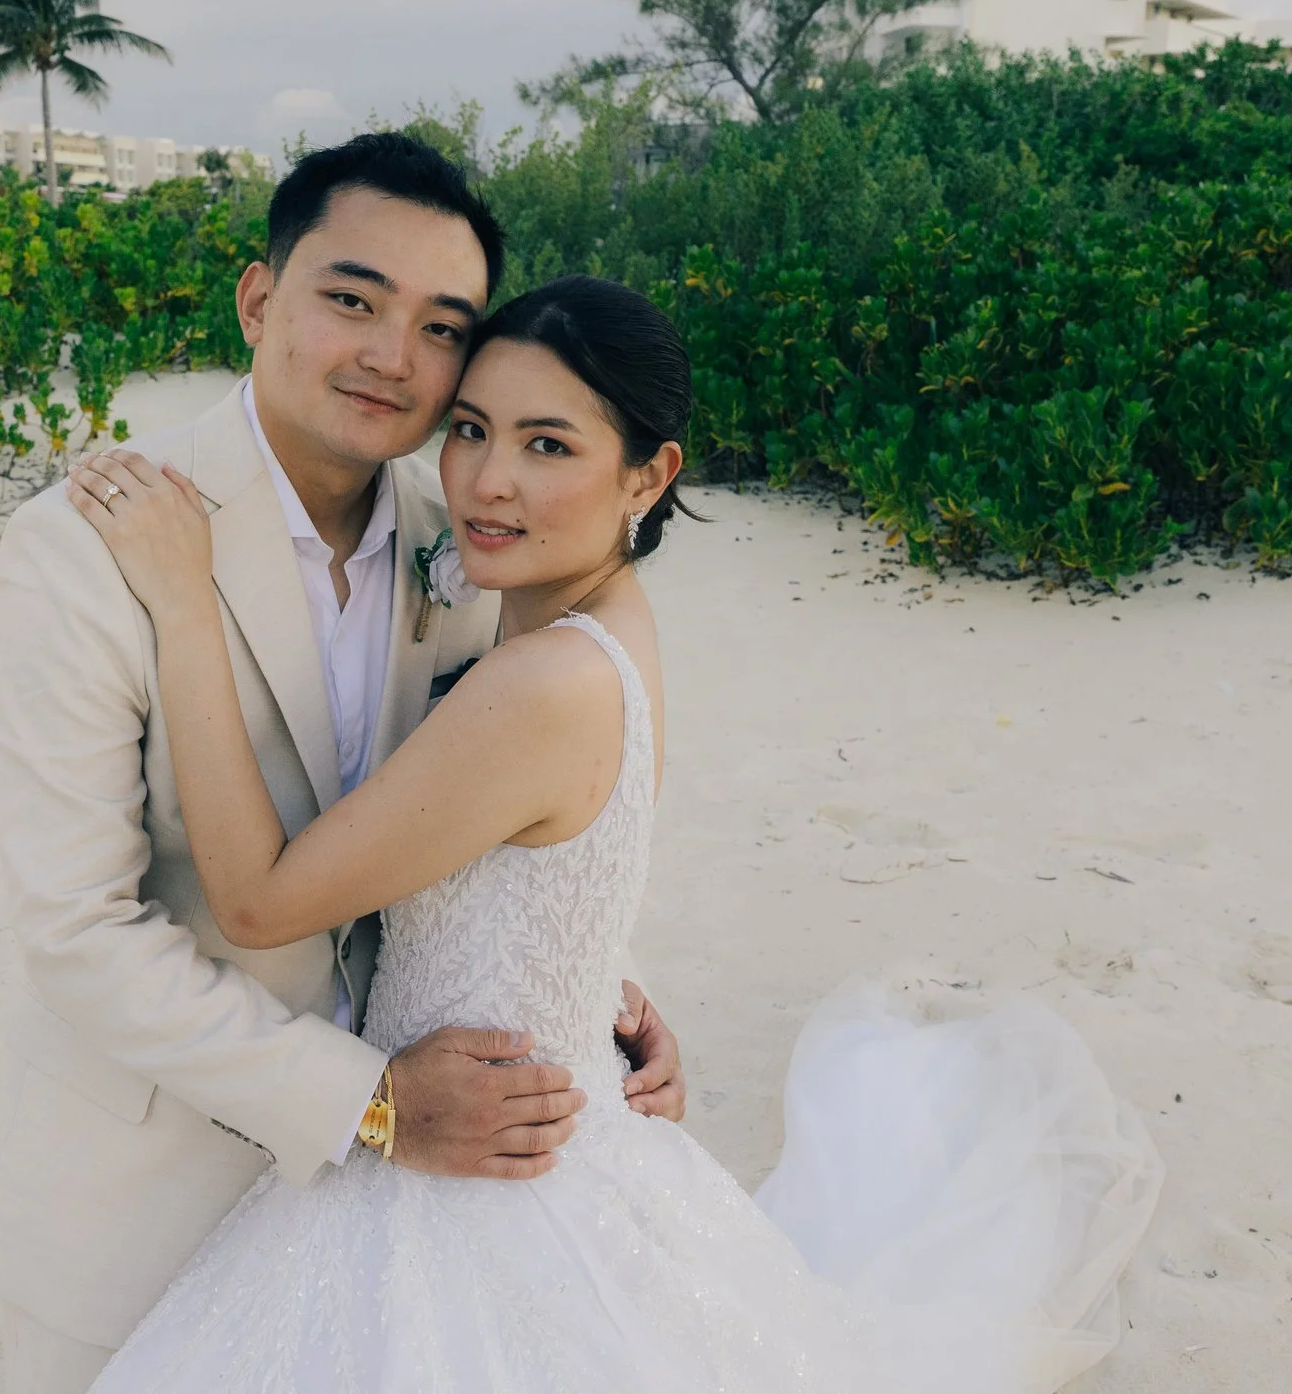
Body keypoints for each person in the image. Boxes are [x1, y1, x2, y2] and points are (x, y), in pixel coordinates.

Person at [65, 276, 1167, 1392]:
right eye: (470, 430)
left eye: (548, 444)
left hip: (477, 1165)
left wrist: (186, 604)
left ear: (649, 473)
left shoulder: (546, 679)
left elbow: (255, 897)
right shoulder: (603, 629)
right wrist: (599, 986)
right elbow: (553, 865)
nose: (489, 482)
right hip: (556, 1109)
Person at [0, 136, 688, 1394]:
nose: (392, 355)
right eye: (351, 298)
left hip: (425, 1214)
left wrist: (595, 983)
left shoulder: (466, 540)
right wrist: (371, 1103)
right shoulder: (93, 548)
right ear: (257, 298)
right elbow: (78, 929)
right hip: (148, 1194)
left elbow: (473, 809)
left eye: (440, 323)